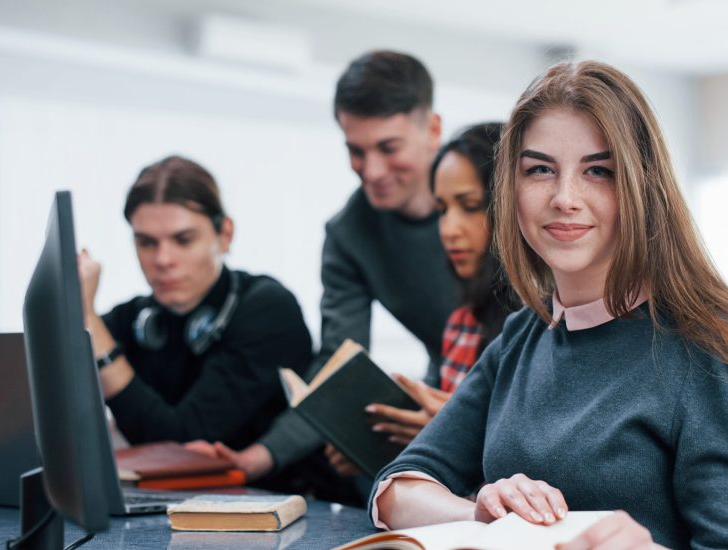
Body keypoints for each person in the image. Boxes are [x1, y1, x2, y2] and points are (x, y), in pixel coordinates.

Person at [371, 61, 728, 550]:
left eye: (598, 171)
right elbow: (395, 489)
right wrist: (484, 514)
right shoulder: (523, 336)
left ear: (642, 187)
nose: (564, 198)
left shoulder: (709, 353)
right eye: (540, 170)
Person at [217, 50, 460, 486]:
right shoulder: (349, 234)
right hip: (445, 398)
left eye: (389, 148)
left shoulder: (502, 189)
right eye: (356, 150)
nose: (372, 171)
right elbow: (338, 364)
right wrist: (257, 458)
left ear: (433, 129)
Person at [78, 155, 320, 492]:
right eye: (146, 242)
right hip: (174, 508)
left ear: (225, 234)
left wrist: (92, 327)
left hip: (284, 507)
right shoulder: (133, 317)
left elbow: (179, 447)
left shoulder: (268, 309)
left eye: (183, 240)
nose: (163, 260)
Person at [363, 122, 521, 448]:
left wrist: (455, 431)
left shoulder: (546, 327)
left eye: (470, 206)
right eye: (442, 210)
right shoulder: (462, 322)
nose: (449, 230)